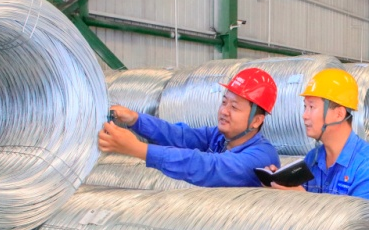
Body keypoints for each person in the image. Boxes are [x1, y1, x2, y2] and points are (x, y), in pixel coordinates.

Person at [269, 68, 369, 230]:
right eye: (305, 107)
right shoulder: (313, 159)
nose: (304, 115)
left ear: (339, 113)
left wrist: (304, 200)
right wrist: (280, 182)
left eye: (312, 107)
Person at [98, 67, 280, 187]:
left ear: (256, 121)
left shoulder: (262, 158)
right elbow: (180, 136)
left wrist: (137, 149)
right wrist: (135, 119)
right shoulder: (220, 138)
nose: (224, 111)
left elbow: (208, 167)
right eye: (224, 102)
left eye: (234, 107)